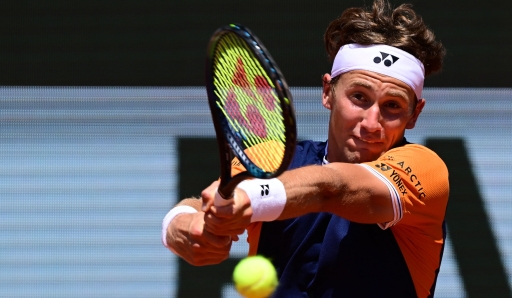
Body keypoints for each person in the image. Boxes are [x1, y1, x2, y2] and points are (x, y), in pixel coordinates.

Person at [162, 0, 448, 297]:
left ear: (414, 114)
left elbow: (333, 188)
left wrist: (251, 197)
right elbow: (200, 205)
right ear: (328, 93)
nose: (372, 123)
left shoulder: (425, 169)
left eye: (392, 106)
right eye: (359, 97)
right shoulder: (272, 157)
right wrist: (183, 225)